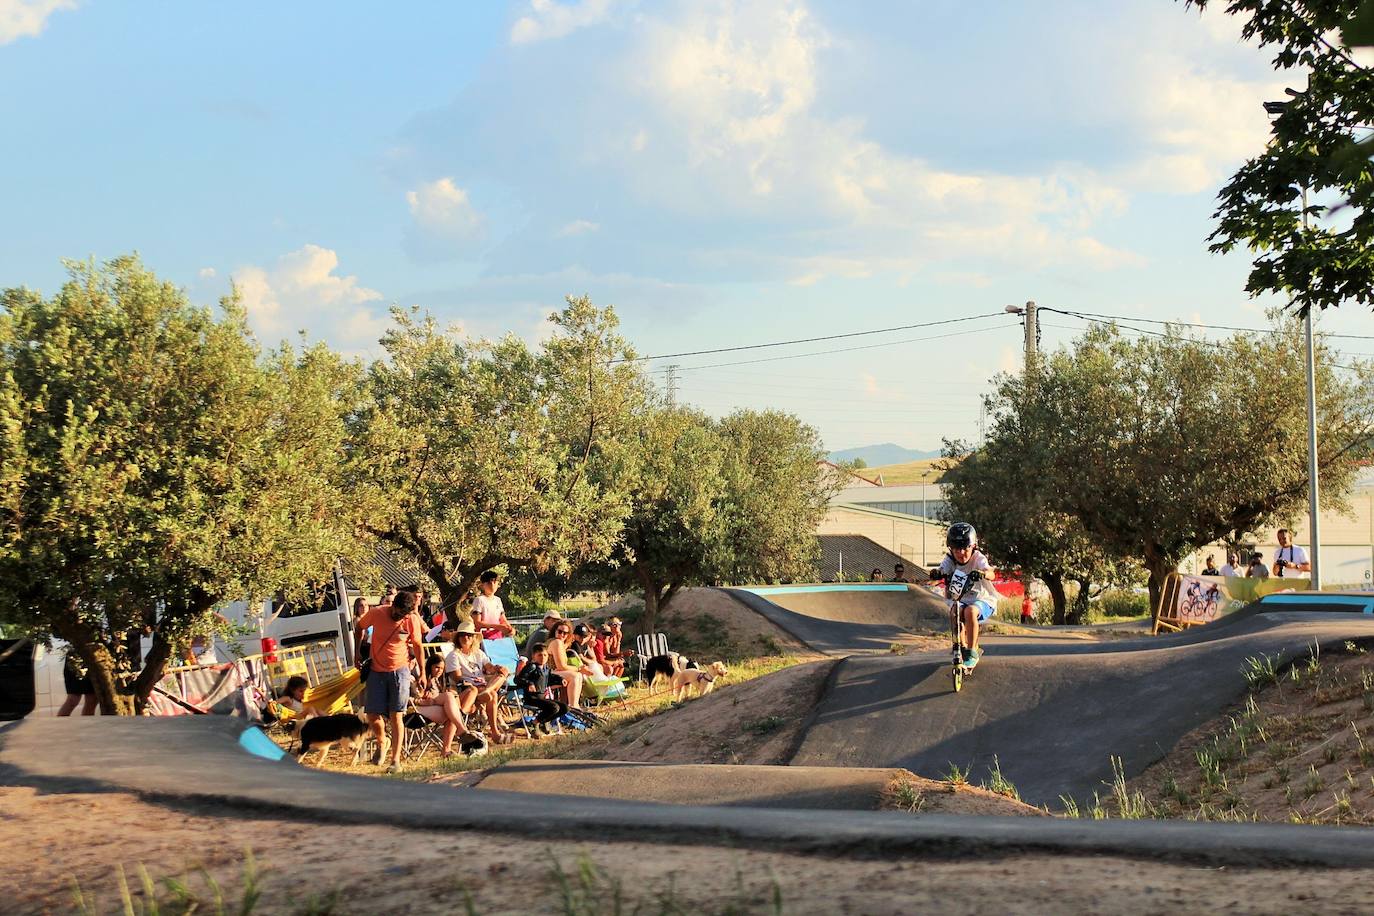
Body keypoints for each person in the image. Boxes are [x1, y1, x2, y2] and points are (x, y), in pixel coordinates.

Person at [354, 589, 426, 773]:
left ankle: (395, 761)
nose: (397, 616)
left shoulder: (411, 620)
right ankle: (382, 741)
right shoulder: (377, 613)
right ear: (392, 604)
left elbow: (417, 646)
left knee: (396, 716)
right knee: (372, 715)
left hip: (400, 671)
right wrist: (356, 653)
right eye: (396, 611)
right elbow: (359, 627)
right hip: (376, 671)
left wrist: (423, 672)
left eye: (402, 614)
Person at [928, 522, 998, 668]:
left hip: (982, 599)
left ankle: (972, 652)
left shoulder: (978, 558)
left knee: (970, 611)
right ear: (951, 549)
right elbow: (942, 570)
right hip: (962, 599)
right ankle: (961, 647)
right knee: (955, 611)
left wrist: (983, 573)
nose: (961, 554)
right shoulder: (950, 559)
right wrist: (937, 574)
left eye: (965, 549)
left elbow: (992, 574)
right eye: (956, 550)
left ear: (972, 546)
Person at [446, 622, 514, 744]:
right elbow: (457, 678)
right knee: (493, 695)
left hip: (483, 686)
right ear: (458, 638)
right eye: (462, 635)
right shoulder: (454, 655)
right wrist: (474, 684)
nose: (466, 638)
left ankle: (488, 691)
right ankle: (495, 733)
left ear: (473, 638)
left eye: (469, 635)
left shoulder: (478, 653)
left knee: (502, 674)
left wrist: (498, 668)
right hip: (468, 690)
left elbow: (490, 668)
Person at [412, 655, 480, 757]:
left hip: (437, 704)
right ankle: (460, 728)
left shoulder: (439, 680)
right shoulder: (421, 679)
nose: (439, 670)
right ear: (430, 666)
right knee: (450, 704)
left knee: (470, 690)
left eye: (442, 668)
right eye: (437, 667)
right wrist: (420, 699)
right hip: (420, 708)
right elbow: (411, 698)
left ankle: (447, 749)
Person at [514, 644, 567, 735]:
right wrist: (529, 683)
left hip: (542, 698)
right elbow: (517, 679)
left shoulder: (546, 669)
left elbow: (550, 677)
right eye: (539, 655)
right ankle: (534, 723)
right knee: (554, 707)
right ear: (533, 656)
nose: (542, 657)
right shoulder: (531, 667)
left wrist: (561, 679)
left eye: (545, 655)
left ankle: (543, 722)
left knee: (564, 708)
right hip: (532, 699)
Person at [544, 621, 585, 709]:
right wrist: (578, 668)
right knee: (574, 676)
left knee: (578, 675)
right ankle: (573, 706)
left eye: (565, 633)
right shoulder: (556, 642)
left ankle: (574, 705)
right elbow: (561, 666)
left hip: (550, 674)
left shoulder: (556, 642)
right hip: (546, 675)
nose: (562, 634)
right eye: (560, 631)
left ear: (568, 635)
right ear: (555, 631)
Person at [471, 571, 515, 639]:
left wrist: (510, 629)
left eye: (494, 582)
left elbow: (503, 619)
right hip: (483, 639)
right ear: (482, 585)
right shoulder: (479, 600)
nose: (492, 584)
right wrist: (498, 626)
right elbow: (477, 623)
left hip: (498, 638)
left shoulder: (498, 600)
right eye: (489, 582)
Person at [56, 651, 98, 717]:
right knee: (73, 698)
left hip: (94, 656)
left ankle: (87, 725)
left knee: (92, 699)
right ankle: (59, 725)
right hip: (77, 656)